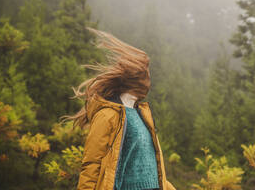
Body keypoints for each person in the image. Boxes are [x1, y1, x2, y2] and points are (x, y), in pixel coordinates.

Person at [60, 27, 176, 190]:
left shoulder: (142, 114)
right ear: (134, 81)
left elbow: (154, 165)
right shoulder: (107, 115)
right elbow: (91, 164)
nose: (148, 82)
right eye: (145, 77)